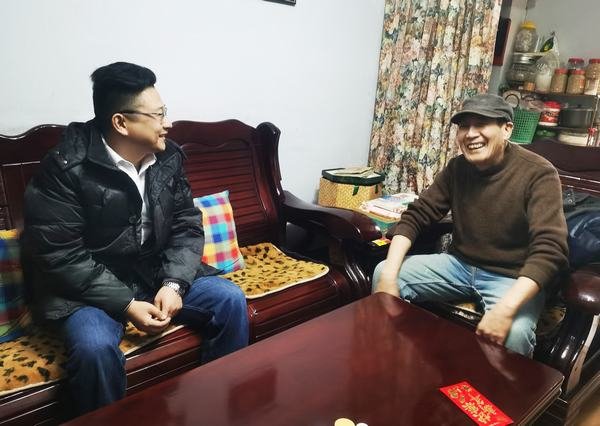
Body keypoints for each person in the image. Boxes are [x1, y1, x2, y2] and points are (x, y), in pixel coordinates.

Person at [21, 62, 249, 415]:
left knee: (230, 299)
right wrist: (127, 304)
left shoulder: (167, 157)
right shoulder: (65, 168)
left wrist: (174, 284)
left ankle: (213, 409)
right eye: (158, 115)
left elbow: (186, 225)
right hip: (85, 291)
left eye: (164, 112)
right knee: (95, 348)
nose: (167, 123)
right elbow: (60, 255)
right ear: (121, 122)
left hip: (151, 273)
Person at [373, 94, 568, 357]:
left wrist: (505, 310)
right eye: (464, 126)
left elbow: (551, 249)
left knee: (516, 332)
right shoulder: (457, 168)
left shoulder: (539, 173)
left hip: (511, 276)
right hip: (459, 265)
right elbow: (416, 215)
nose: (471, 134)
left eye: (482, 124)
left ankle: (503, 385)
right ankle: (394, 359)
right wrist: (388, 276)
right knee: (383, 271)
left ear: (507, 129)